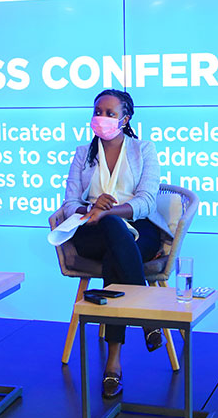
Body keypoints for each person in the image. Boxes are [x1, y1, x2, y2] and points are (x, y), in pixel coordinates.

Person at [62, 89, 174, 399]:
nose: (102, 118)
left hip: (137, 229)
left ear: (125, 119)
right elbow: (70, 203)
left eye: (110, 113)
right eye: (98, 111)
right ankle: (148, 318)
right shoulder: (83, 153)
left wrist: (110, 211)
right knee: (111, 230)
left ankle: (113, 364)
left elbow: (148, 202)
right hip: (91, 230)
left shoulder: (143, 150)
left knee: (116, 253)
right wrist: (92, 208)